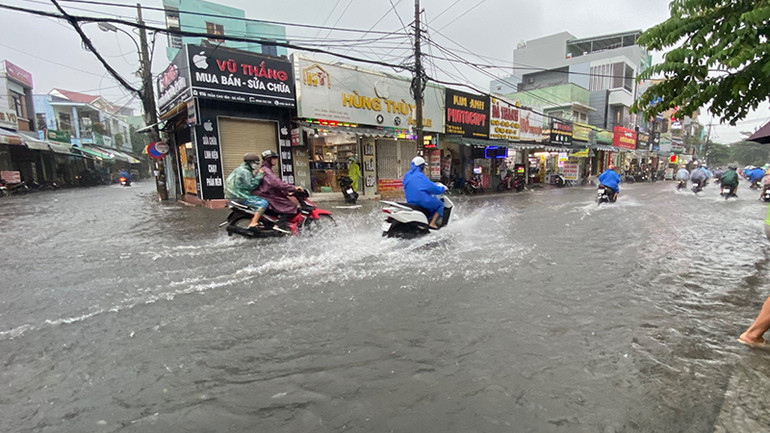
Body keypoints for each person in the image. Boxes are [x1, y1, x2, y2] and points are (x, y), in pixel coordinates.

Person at [254, 149, 304, 231]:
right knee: (291, 206)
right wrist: (293, 188)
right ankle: (279, 226)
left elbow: (274, 185)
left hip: (268, 194)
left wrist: (287, 191)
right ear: (269, 159)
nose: (275, 160)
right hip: (266, 196)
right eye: (274, 158)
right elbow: (277, 184)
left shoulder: (267, 169)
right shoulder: (266, 170)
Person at [224, 153, 268, 229]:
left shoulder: (240, 169)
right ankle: (254, 222)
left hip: (234, 195)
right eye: (255, 163)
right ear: (249, 162)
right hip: (241, 196)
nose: (257, 165)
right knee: (264, 203)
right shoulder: (245, 172)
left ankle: (257, 220)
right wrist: (260, 175)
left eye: (258, 163)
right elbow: (251, 186)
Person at [403, 156, 446, 229]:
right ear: (421, 166)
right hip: (422, 200)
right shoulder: (420, 176)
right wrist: (442, 189)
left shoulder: (407, 175)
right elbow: (432, 187)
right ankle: (432, 224)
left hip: (410, 201)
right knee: (440, 204)